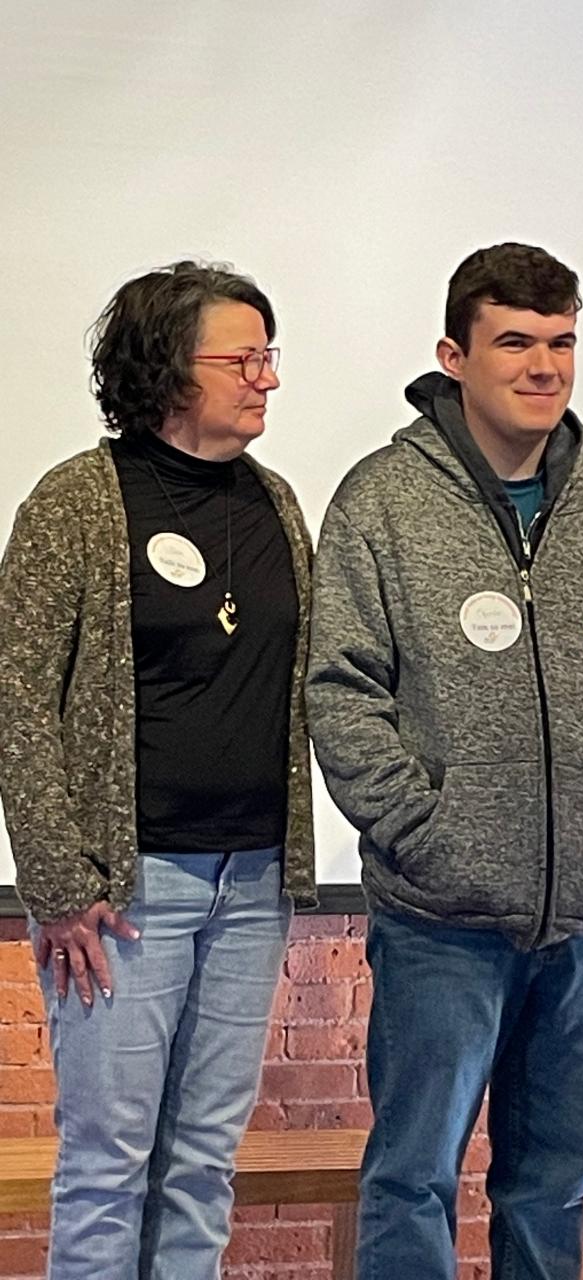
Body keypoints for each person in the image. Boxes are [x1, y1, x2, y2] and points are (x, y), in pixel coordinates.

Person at [306, 242, 583, 1280]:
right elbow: (341, 690)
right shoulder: (382, 501)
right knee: (412, 1176)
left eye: (561, 342)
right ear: (454, 354)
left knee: (550, 1183)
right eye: (515, 340)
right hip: (441, 921)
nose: (543, 366)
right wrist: (425, 832)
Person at [0, 261, 316, 1279]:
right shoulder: (77, 502)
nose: (266, 377)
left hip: (253, 882)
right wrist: (57, 883)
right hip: (128, 897)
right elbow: (18, 701)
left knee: (201, 1164)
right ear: (169, 368)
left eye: (270, 355)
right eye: (244, 357)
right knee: (107, 1164)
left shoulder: (276, 503)